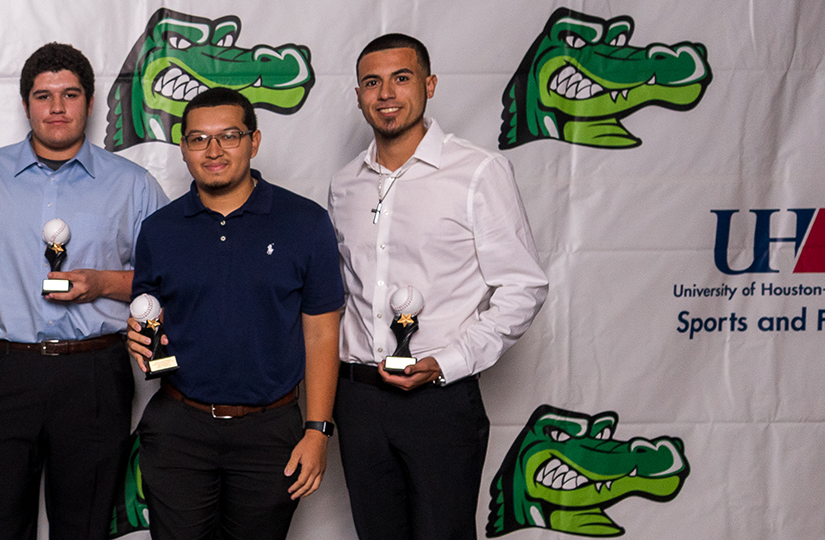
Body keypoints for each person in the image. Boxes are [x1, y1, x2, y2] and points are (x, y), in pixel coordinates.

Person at [328, 33, 548, 540]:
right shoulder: (344, 185)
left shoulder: (478, 172)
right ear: (359, 94)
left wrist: (447, 362)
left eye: (401, 79)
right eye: (372, 82)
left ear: (428, 85)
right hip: (358, 399)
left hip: (438, 403)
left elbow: (522, 287)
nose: (386, 94)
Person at [0, 42, 166, 540]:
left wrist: (102, 284)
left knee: (83, 526)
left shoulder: (133, 184)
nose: (58, 107)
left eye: (70, 94)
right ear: (26, 104)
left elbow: (170, 278)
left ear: (89, 101)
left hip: (93, 372)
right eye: (44, 96)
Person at [126, 88, 343, 540]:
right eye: (199, 139)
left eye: (229, 136)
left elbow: (322, 335)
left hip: (270, 431)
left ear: (254, 141)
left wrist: (318, 430)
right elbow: (151, 319)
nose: (214, 150)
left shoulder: (305, 223)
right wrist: (140, 339)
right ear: (184, 148)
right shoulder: (159, 230)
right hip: (179, 430)